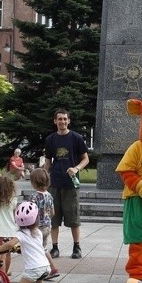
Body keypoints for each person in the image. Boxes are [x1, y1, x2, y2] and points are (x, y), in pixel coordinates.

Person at [44, 108, 89, 259]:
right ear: (55, 121)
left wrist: (76, 168)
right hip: (54, 184)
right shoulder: (50, 139)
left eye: (65, 119)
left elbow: (85, 159)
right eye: (60, 119)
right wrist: (44, 180)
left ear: (69, 121)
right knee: (53, 217)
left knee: (73, 218)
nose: (62, 121)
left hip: (71, 184)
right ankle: (55, 248)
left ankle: (77, 247)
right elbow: (48, 162)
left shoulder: (76, 138)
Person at [24, 167, 60, 279]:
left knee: (38, 249)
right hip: (47, 227)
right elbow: (53, 212)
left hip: (37, 228)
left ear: (34, 182)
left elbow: (29, 213)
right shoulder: (49, 195)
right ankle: (52, 269)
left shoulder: (34, 197)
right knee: (43, 248)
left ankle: (48, 269)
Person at [0, 173, 18, 276]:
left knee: (0, 253)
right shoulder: (13, 201)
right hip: (10, 231)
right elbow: (14, 215)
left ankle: (1, 275)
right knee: (8, 253)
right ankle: (5, 273)